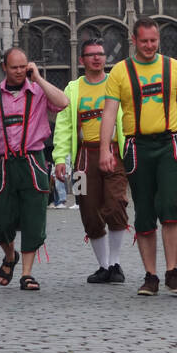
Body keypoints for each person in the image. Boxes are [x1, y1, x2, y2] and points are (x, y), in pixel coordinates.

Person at [98, 18, 177, 297]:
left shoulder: (173, 68)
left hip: (170, 144)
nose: (149, 46)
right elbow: (109, 113)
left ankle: (172, 272)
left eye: (153, 41)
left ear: (159, 40)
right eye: (144, 41)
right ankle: (151, 276)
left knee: (171, 207)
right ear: (133, 40)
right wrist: (104, 149)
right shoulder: (120, 72)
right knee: (144, 212)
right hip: (137, 146)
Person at [0, 48, 70, 290]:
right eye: (14, 67)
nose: (19, 71)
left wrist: (37, 78)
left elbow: (63, 102)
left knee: (33, 217)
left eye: (23, 66)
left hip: (33, 161)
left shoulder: (38, 91)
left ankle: (27, 273)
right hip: (5, 163)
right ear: (4, 67)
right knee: (0, 220)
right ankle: (10, 256)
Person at [52, 39, 129, 285]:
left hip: (115, 152)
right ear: (81, 60)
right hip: (83, 157)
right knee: (87, 210)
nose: (97, 58)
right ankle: (103, 266)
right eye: (91, 55)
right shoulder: (72, 89)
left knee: (117, 204)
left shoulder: (115, 83)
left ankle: (115, 263)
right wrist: (60, 158)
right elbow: (63, 126)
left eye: (101, 54)